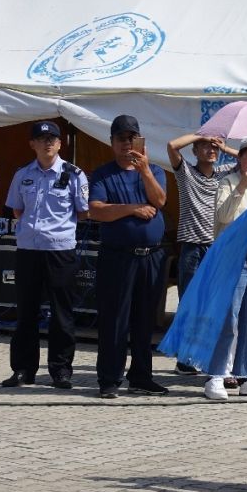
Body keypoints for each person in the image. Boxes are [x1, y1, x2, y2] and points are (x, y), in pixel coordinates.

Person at [1, 120, 89, 390]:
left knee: (61, 313)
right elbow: (16, 210)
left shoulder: (74, 174)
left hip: (60, 250)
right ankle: (23, 370)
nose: (48, 142)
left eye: (53, 138)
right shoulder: (22, 174)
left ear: (60, 144)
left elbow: (83, 212)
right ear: (33, 144)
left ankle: (60, 371)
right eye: (42, 139)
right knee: (26, 311)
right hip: (29, 250)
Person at [89, 114, 169, 399]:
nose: (126, 143)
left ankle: (141, 377)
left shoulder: (155, 170)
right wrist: (133, 208)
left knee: (144, 320)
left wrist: (145, 170)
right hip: (117, 257)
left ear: (140, 141)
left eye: (131, 138)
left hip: (151, 256)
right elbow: (96, 210)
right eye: (121, 138)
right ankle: (109, 379)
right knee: (114, 320)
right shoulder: (102, 174)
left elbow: (159, 201)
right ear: (111, 142)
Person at [203, 135, 247, 401]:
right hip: (232, 260)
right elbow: (223, 216)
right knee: (228, 319)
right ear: (239, 159)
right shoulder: (227, 183)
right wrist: (242, 185)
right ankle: (217, 374)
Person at [167, 132, 236, 374]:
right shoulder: (186, 172)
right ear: (195, 151)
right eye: (205, 147)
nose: (211, 150)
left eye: (214, 147)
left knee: (213, 304)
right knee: (190, 302)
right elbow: (172, 145)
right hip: (191, 247)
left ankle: (206, 357)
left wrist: (225, 148)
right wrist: (200, 134)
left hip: (216, 248)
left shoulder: (223, 173)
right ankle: (184, 359)